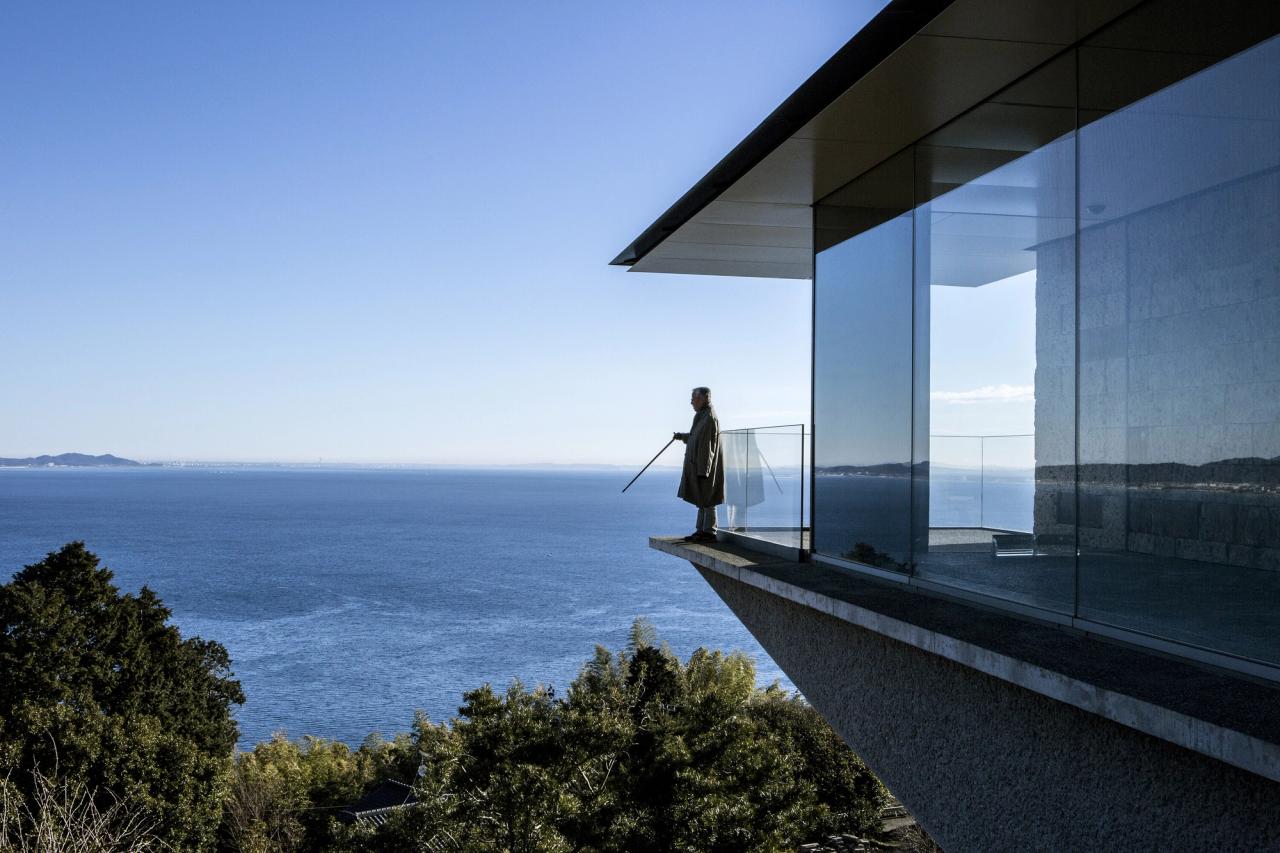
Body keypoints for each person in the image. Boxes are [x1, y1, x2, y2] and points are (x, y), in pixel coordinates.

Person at [673, 386, 725, 542]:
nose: (691, 403)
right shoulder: (702, 416)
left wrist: (704, 470)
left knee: (708, 499)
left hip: (704, 468)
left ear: (703, 399)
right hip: (700, 466)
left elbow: (708, 446)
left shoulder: (709, 418)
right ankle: (701, 530)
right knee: (702, 499)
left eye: (693, 399)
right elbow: (697, 438)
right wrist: (682, 437)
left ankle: (709, 532)